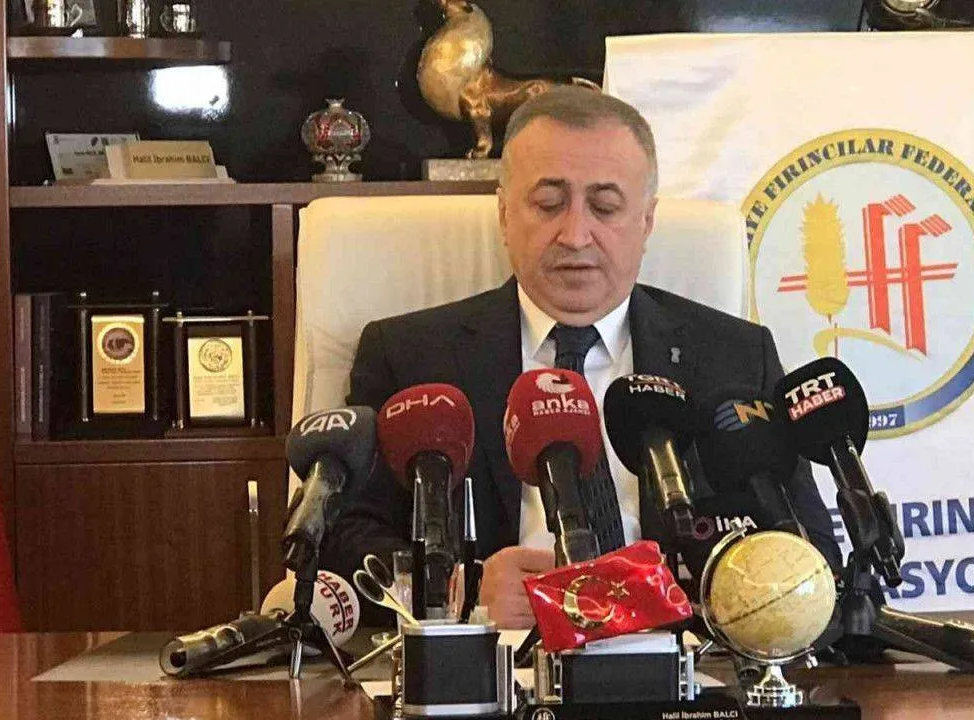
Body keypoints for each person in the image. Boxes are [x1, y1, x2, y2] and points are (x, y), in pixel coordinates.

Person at [321, 87, 839, 628]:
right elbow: (343, 540)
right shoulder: (411, 356)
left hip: (683, 652)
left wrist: (720, 595)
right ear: (504, 215)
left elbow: (809, 552)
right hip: (500, 654)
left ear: (647, 222)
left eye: (605, 207)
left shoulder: (734, 357)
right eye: (548, 204)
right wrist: (460, 589)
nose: (574, 235)